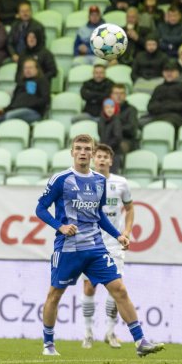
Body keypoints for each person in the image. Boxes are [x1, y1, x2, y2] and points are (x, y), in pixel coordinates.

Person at [34, 133, 164, 358]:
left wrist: (118, 236)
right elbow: (40, 209)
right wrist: (60, 226)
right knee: (55, 294)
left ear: (92, 153)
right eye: (78, 148)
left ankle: (140, 341)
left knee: (119, 289)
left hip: (95, 248)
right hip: (68, 249)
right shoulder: (61, 179)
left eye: (87, 149)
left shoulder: (99, 181)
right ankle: (48, 344)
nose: (82, 152)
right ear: (72, 152)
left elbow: (99, 215)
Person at [80, 143, 134, 350]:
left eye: (105, 157)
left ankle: (110, 332)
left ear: (111, 161)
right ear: (94, 159)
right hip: (91, 241)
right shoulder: (84, 182)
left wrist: (126, 231)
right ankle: (88, 333)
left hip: (113, 243)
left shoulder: (121, 183)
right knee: (89, 286)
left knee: (116, 288)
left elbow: (130, 208)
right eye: (99, 156)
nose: (102, 159)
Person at [0, 58, 49, 125]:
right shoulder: (20, 83)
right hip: (16, 111)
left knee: (10, 116)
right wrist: (4, 109)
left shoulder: (42, 81)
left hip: (33, 112)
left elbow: (45, 99)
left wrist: (28, 104)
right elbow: (14, 103)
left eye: (30, 68)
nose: (27, 70)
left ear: (37, 69)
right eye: (25, 68)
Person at [141, 62, 182, 128]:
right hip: (156, 115)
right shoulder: (159, 88)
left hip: (175, 117)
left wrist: (168, 106)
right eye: (166, 71)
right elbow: (150, 106)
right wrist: (165, 106)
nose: (169, 74)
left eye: (172, 71)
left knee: (163, 125)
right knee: (139, 122)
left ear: (179, 72)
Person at [97, 84, 138, 168]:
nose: (118, 96)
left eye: (121, 93)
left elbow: (132, 129)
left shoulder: (131, 110)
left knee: (115, 147)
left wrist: (116, 129)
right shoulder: (106, 109)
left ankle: (114, 172)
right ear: (111, 95)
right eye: (116, 93)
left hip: (126, 140)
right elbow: (101, 128)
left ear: (125, 95)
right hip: (107, 139)